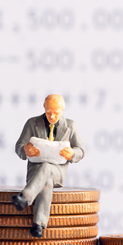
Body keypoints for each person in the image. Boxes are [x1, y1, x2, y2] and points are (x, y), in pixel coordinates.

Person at [11, 94, 85, 237]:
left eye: (56, 113)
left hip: (58, 171)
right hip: (35, 172)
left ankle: (25, 198)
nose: (52, 116)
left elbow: (81, 150)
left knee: (47, 167)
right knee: (47, 183)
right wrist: (25, 150)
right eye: (48, 112)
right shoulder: (32, 123)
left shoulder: (70, 125)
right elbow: (19, 147)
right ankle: (38, 225)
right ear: (44, 108)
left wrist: (72, 154)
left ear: (63, 109)